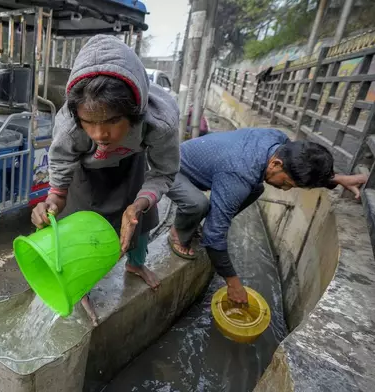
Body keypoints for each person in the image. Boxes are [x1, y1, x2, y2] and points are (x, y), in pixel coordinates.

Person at [31, 35, 180, 325]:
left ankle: (136, 265)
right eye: (90, 122)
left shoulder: (159, 123)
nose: (100, 134)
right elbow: (61, 164)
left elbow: (164, 171)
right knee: (80, 229)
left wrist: (139, 204)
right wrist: (53, 199)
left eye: (112, 121)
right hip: (85, 172)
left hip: (130, 164)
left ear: (134, 111)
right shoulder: (70, 126)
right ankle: (81, 284)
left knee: (140, 222)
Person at [165, 128, 367, 304]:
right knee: (197, 204)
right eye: (287, 183)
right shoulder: (240, 174)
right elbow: (213, 239)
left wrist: (335, 179)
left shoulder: (278, 141)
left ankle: (214, 216)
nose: (286, 190)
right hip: (171, 169)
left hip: (209, 167)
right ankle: (178, 232)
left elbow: (300, 165)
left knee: (255, 189)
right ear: (276, 164)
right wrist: (233, 283)